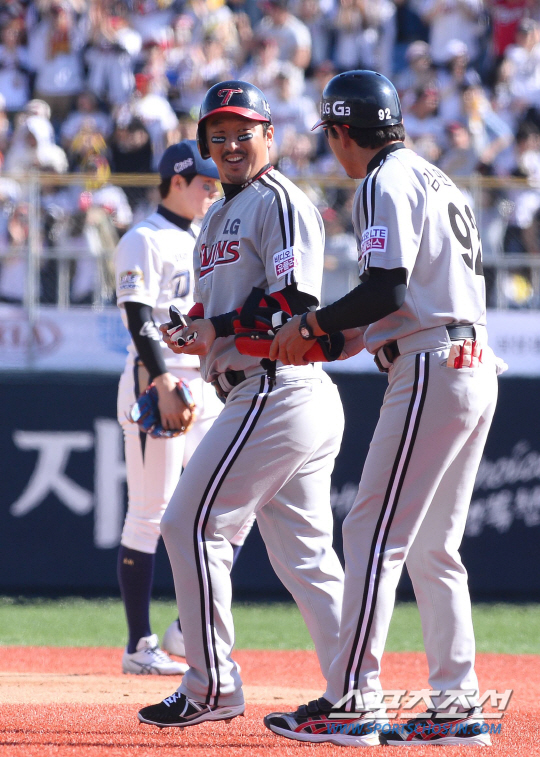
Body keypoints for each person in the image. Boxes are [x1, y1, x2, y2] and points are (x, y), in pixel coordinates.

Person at [264, 70, 499, 746]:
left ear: (343, 130)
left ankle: (352, 702)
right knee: (433, 547)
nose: (332, 146)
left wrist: (313, 325)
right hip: (470, 359)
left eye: (331, 134)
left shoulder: (383, 179)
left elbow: (387, 288)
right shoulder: (435, 177)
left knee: (371, 532)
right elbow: (405, 294)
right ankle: (456, 709)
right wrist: (345, 336)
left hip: (431, 365)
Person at [137, 80, 345, 728]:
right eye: (218, 135)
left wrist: (218, 326)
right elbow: (225, 305)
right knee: (307, 561)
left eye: (243, 132)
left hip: (276, 386)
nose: (230, 144)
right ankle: (357, 694)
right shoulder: (218, 215)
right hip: (267, 391)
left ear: (270, 136)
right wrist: (195, 326)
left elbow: (295, 302)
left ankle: (211, 686)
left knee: (188, 523)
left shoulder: (277, 200)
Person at [115, 140, 227, 675]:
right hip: (157, 379)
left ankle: (185, 629)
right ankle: (139, 645)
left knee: (225, 506)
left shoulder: (204, 239)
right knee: (150, 512)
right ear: (176, 181)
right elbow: (138, 315)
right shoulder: (144, 237)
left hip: (205, 383)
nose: (212, 191)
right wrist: (159, 378)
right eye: (205, 183)